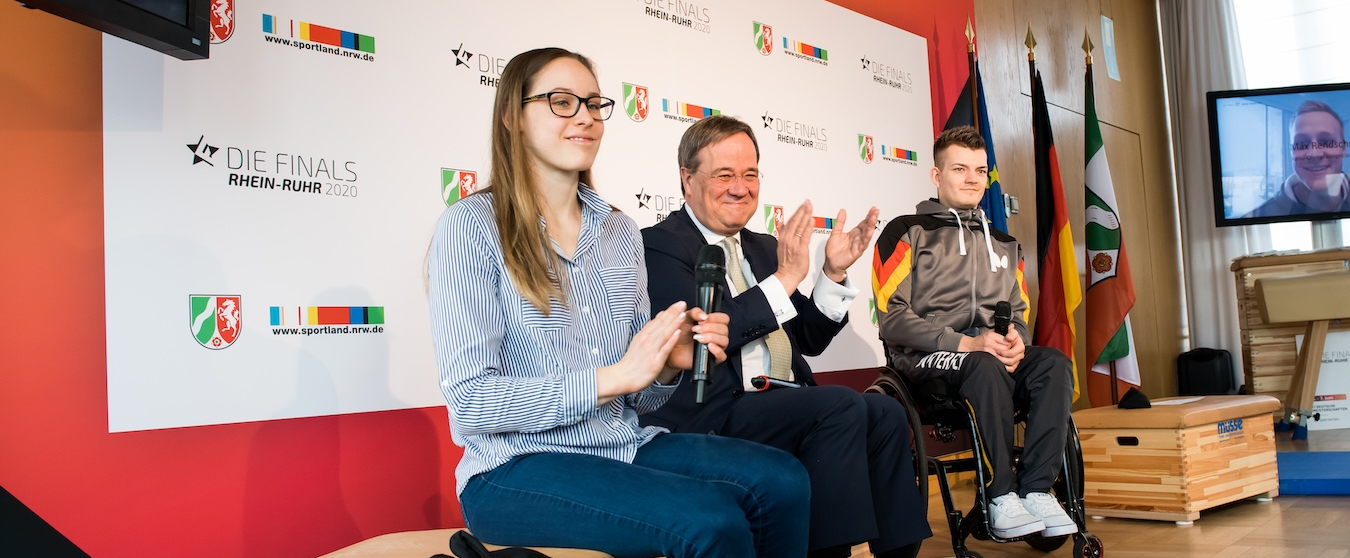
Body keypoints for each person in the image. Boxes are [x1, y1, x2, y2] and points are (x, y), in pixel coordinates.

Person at [427, 48, 810, 558]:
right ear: (511, 117)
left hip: (625, 446)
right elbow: (472, 404)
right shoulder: (472, 227)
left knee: (782, 479)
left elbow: (641, 400)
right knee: (711, 522)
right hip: (513, 467)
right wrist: (613, 377)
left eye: (592, 103)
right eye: (561, 101)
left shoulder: (619, 230)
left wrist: (667, 368)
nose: (585, 116)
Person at [640, 115, 931, 558]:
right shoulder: (660, 245)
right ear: (687, 179)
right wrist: (786, 277)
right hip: (712, 412)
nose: (741, 188)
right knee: (839, 404)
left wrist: (831, 273)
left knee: (884, 413)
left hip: (783, 399)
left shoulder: (760, 247)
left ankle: (900, 553)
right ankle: (827, 552)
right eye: (724, 175)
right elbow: (708, 332)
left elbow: (806, 340)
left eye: (750, 174)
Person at [873, 126, 1077, 539]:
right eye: (959, 169)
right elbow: (891, 318)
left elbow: (1018, 313)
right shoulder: (905, 232)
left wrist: (1016, 340)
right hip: (923, 361)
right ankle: (1000, 496)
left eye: (980, 171)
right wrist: (964, 342)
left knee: (1053, 363)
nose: (972, 179)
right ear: (936, 175)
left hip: (986, 356)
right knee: (981, 363)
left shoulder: (1005, 243)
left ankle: (1037, 489)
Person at [1243, 100, 1350, 218]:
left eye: (1326, 142)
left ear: (1343, 149)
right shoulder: (1256, 218)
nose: (1314, 154)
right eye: (1301, 144)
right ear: (1291, 152)